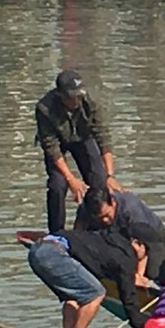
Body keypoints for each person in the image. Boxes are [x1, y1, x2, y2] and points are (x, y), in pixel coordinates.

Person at [26, 187, 148, 328]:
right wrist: (144, 327)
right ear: (137, 243)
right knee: (95, 294)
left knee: (73, 296)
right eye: (144, 252)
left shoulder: (106, 239)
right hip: (54, 253)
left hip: (39, 249)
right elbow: (128, 300)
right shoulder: (125, 257)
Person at [35, 68, 115, 234]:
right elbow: (51, 147)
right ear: (61, 96)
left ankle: (94, 228)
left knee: (99, 181)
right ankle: (56, 232)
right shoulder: (44, 109)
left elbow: (103, 135)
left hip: (83, 137)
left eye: (79, 95)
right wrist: (71, 179)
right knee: (58, 185)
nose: (77, 100)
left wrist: (109, 175)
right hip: (58, 143)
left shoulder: (90, 100)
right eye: (72, 97)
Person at [109, 188, 165, 279]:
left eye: (107, 215)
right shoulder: (89, 205)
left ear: (113, 203)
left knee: (155, 274)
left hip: (151, 234)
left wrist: (138, 275)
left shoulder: (132, 212)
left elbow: (141, 250)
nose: (104, 219)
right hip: (125, 233)